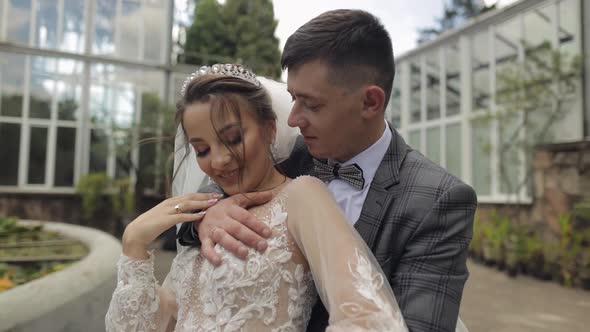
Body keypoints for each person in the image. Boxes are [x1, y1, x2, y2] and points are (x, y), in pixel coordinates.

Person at [178, 9, 477, 332]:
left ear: (370, 103)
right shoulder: (289, 150)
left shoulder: (437, 200)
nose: (292, 119)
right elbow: (216, 181)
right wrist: (211, 215)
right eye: (292, 99)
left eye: (312, 105)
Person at [105, 64, 409, 331]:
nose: (220, 160)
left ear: (269, 128)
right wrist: (134, 244)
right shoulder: (205, 215)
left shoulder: (301, 196)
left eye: (233, 138)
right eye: (202, 149)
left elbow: (369, 316)